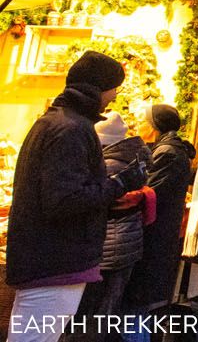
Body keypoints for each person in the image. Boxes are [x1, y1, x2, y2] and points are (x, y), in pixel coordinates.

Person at [5, 51, 146, 342]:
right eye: (114, 87)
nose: (115, 96)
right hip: (56, 259)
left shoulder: (56, 122)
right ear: (99, 87)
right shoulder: (71, 129)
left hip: (47, 257)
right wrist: (120, 182)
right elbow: (64, 200)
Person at [68, 112, 152, 334]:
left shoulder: (110, 164)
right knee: (106, 308)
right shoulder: (128, 159)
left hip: (111, 245)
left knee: (96, 312)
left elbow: (95, 202)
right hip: (123, 243)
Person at [123, 104, 195, 318]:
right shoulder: (166, 149)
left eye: (144, 121)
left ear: (155, 126)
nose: (138, 125)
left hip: (154, 235)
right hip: (155, 234)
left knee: (136, 307)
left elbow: (147, 191)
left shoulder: (167, 153)